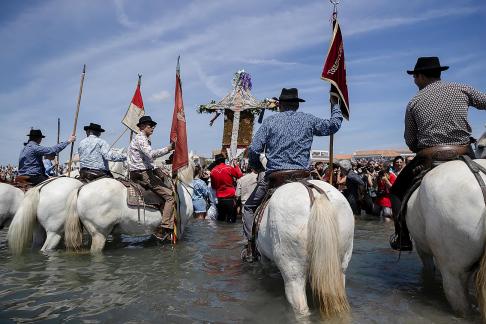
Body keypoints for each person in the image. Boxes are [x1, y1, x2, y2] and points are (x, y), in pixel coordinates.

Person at [390, 57, 486, 251]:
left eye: (415, 76)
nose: (414, 80)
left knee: (396, 192)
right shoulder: (463, 89)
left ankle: (403, 237)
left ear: (421, 76)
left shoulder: (414, 102)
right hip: (465, 152)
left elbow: (410, 140)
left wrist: (420, 145)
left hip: (429, 156)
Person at [242, 88, 343, 261]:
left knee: (249, 208)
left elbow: (254, 149)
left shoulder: (270, 122)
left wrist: (258, 167)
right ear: (296, 105)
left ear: (280, 105)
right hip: (303, 176)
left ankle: (250, 247)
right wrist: (335, 106)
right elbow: (333, 125)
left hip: (275, 177)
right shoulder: (308, 120)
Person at [127, 116, 175, 242]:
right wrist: (169, 148)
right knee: (170, 196)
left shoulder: (140, 139)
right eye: (149, 125)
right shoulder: (141, 138)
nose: (152, 128)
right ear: (142, 127)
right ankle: (164, 228)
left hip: (136, 172)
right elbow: (151, 154)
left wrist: (157, 169)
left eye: (153, 126)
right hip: (144, 174)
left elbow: (148, 160)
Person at [210, 153, 243, 223]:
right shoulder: (229, 168)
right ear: (223, 160)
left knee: (221, 221)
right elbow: (240, 175)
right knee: (231, 221)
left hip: (220, 200)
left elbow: (213, 186)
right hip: (230, 199)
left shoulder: (213, 171)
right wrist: (236, 165)